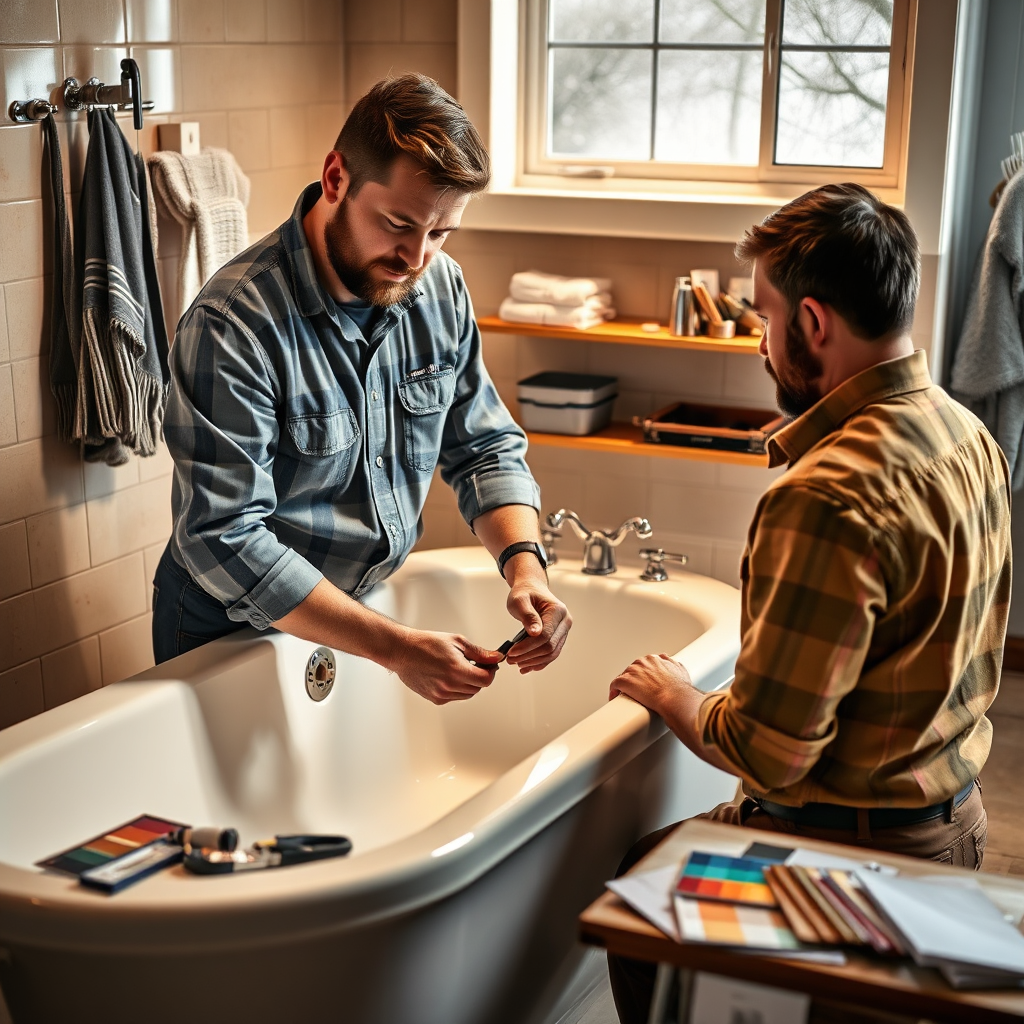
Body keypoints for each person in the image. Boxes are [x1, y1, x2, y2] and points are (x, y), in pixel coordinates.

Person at [606, 183, 1011, 1024]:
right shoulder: (965, 433)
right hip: (958, 825)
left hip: (845, 858)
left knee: (636, 910)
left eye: (764, 318)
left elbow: (772, 754)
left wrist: (678, 696)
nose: (760, 343)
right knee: (655, 856)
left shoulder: (827, 496)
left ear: (815, 324)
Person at [154, 74, 571, 704]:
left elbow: (482, 447)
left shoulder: (439, 287)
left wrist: (524, 566)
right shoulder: (233, 325)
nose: (417, 258)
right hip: (228, 632)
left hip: (360, 618)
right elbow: (223, 534)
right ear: (335, 179)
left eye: (440, 233)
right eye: (398, 224)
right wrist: (397, 648)